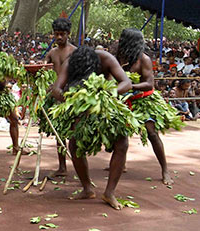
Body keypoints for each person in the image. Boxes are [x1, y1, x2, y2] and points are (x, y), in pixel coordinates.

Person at [52, 45, 132, 210]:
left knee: (122, 142)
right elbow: (57, 87)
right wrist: (65, 96)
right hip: (81, 107)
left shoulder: (106, 58)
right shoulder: (70, 62)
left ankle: (109, 192)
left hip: (106, 106)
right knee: (74, 144)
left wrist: (108, 93)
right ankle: (87, 188)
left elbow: (126, 83)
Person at [115, 28, 177, 185]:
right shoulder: (118, 57)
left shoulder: (144, 59)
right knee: (119, 133)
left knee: (152, 133)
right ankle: (120, 163)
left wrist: (131, 86)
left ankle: (165, 170)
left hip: (143, 99)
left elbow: (150, 84)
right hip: (124, 99)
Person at [44, 18, 77, 176]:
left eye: (62, 34)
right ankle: (62, 167)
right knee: (59, 133)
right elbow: (43, 68)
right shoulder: (51, 53)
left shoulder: (75, 52)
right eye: (56, 34)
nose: (59, 37)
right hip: (56, 96)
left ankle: (79, 166)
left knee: (73, 132)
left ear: (68, 34)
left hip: (71, 95)